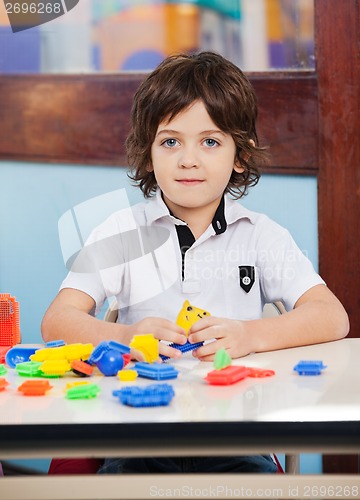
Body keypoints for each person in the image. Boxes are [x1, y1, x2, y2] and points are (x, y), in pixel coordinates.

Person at [42, 51, 349, 474]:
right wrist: (126, 335)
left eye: (210, 141)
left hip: (237, 432)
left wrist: (250, 335)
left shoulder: (261, 235)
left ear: (239, 155)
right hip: (138, 432)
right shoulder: (120, 230)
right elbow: (57, 320)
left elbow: (332, 317)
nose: (189, 159)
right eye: (170, 141)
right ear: (148, 155)